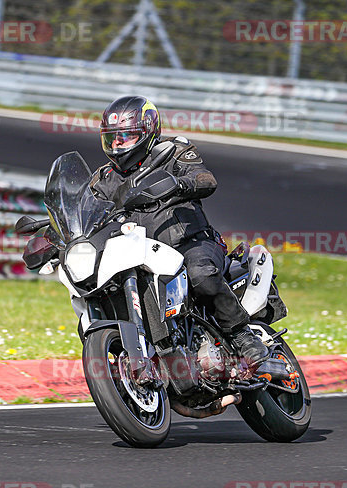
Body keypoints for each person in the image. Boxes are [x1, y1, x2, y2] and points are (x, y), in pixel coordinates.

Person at [89, 95, 268, 371]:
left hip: (191, 243)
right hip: (139, 256)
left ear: (147, 131)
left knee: (200, 275)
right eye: (112, 137)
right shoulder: (103, 180)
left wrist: (181, 184)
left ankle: (243, 336)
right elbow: (86, 210)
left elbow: (205, 179)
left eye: (125, 136)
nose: (117, 144)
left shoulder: (173, 152)